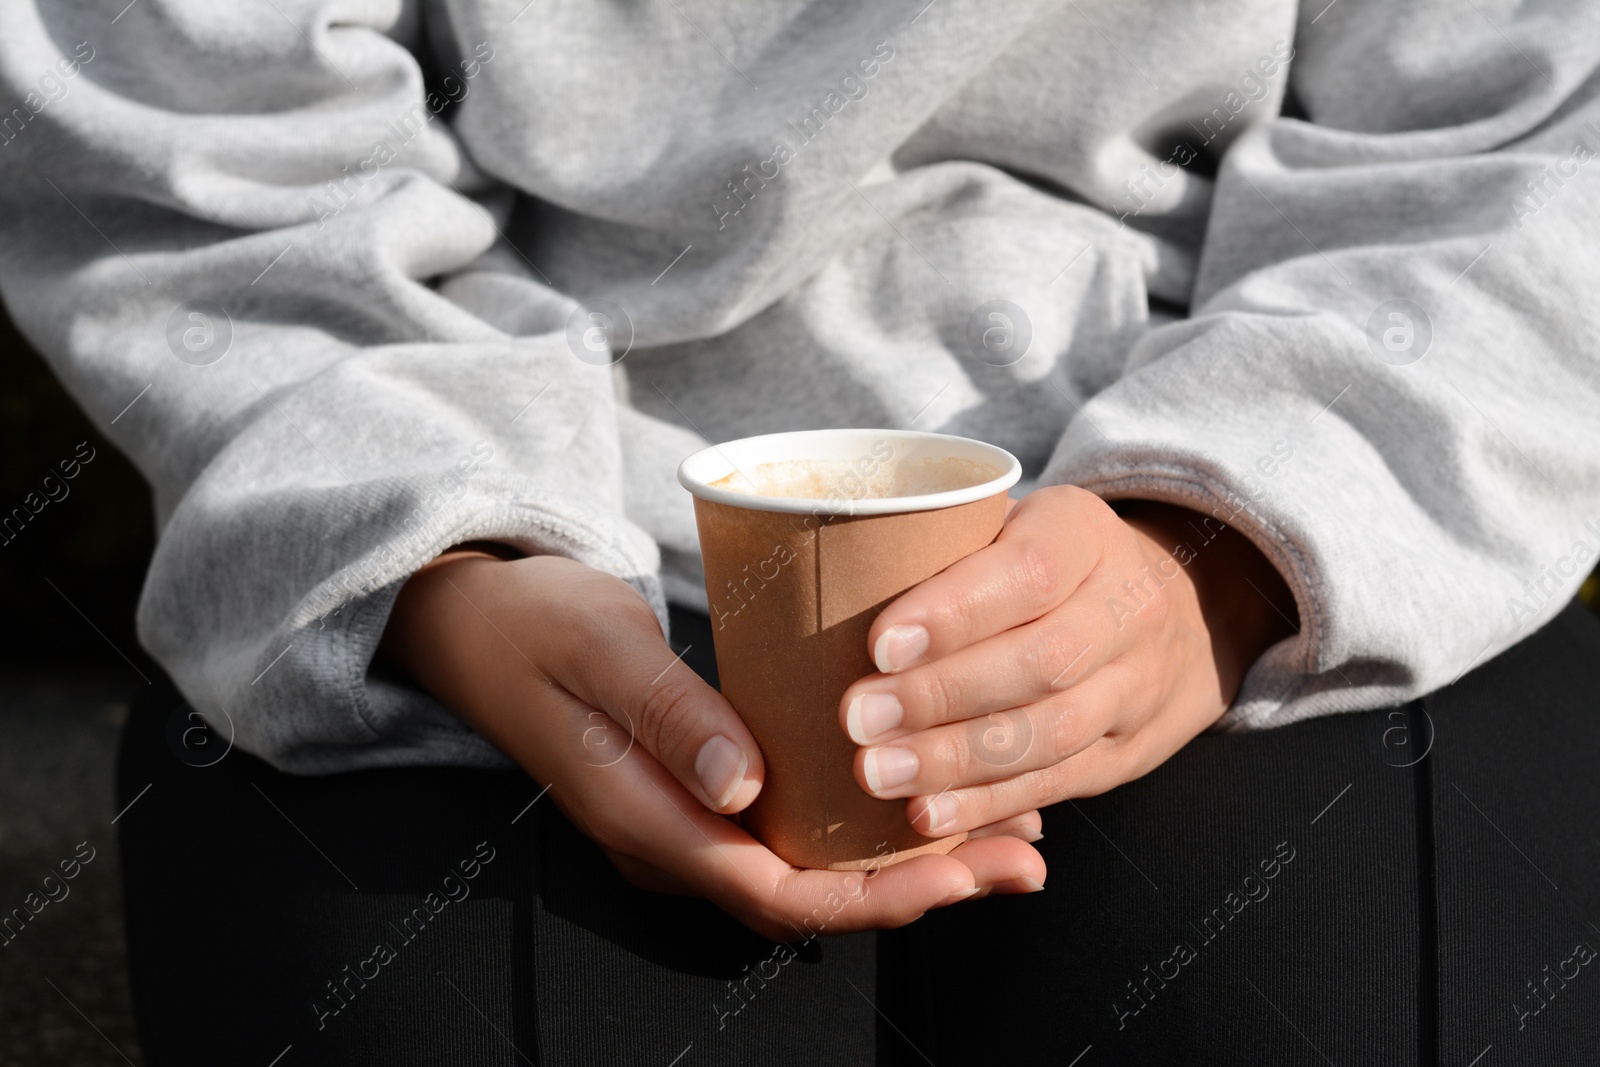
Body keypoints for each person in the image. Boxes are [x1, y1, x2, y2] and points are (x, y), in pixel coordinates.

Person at [2, 1, 1598, 1062]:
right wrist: (434, 562)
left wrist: (1241, 542)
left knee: (1321, 1000)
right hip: (483, 507)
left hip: (1274, 488)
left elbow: (1531, 138)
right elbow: (198, 171)